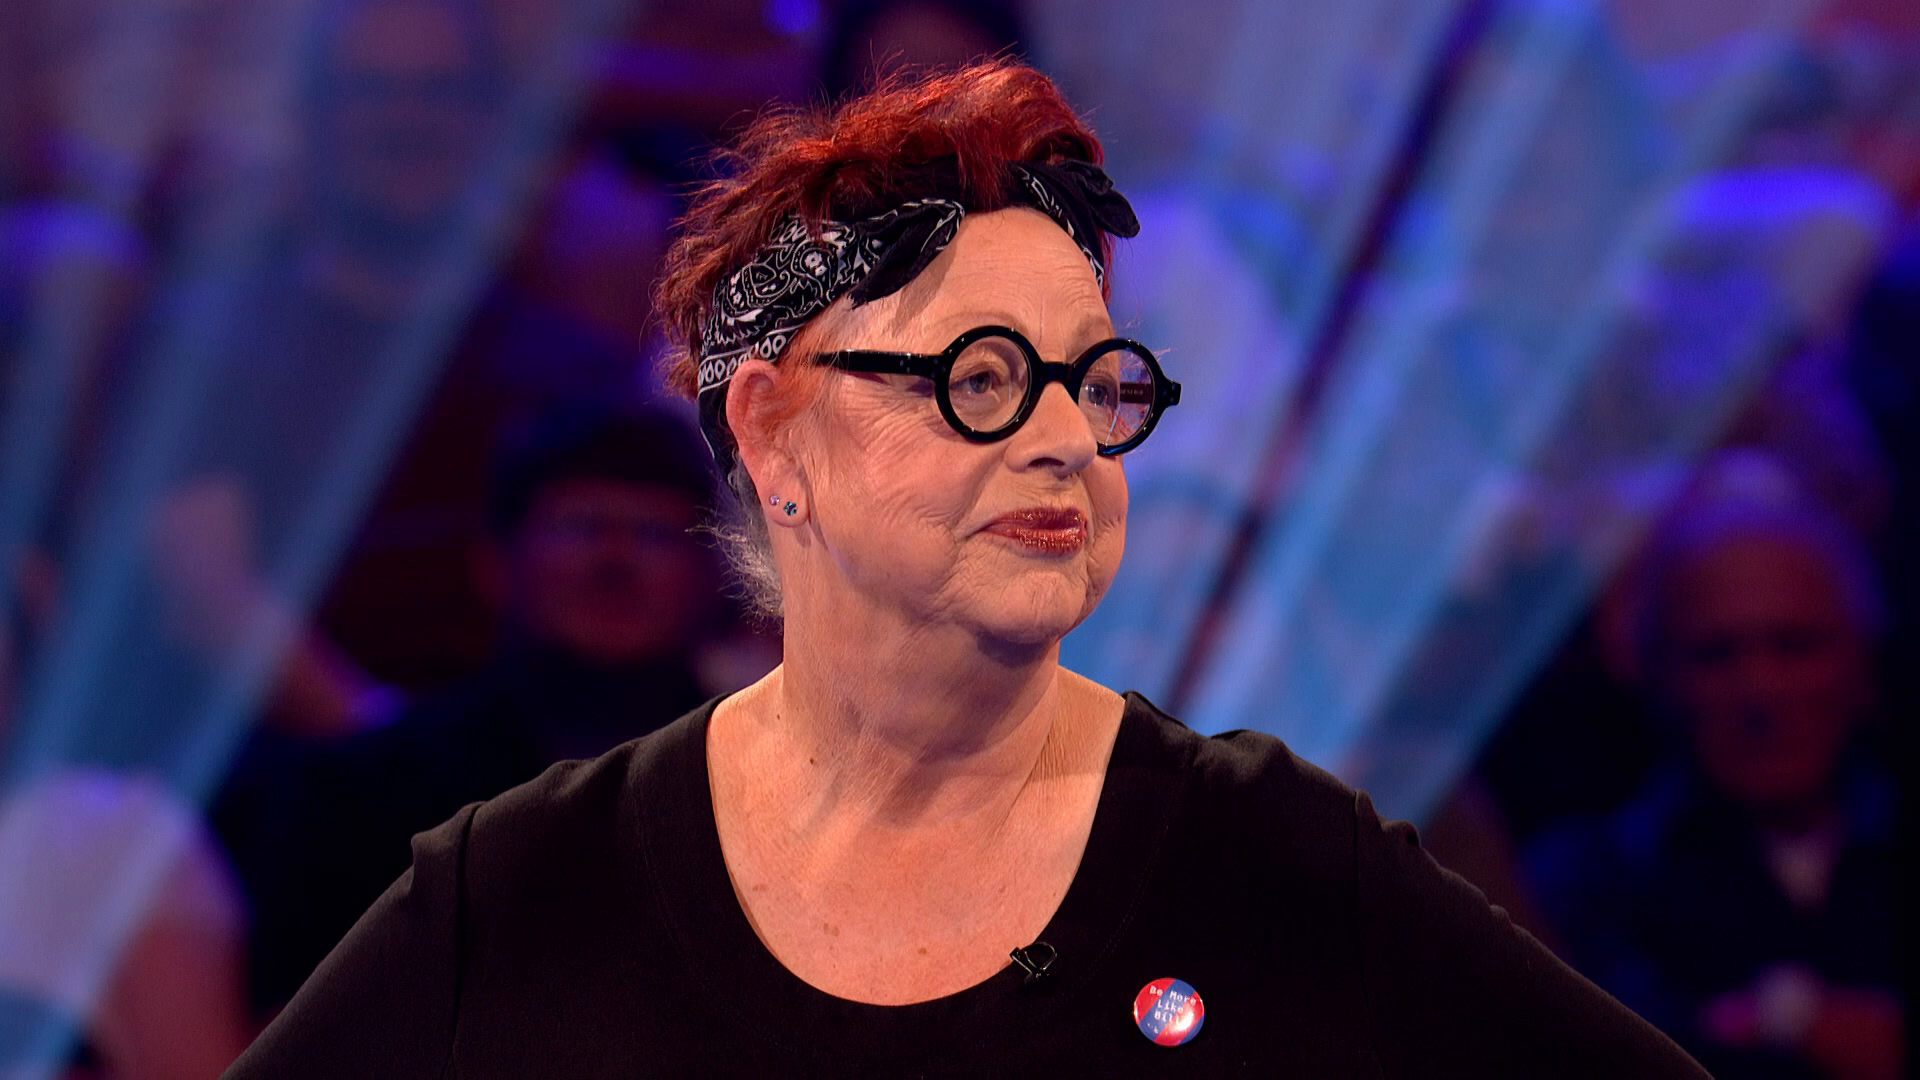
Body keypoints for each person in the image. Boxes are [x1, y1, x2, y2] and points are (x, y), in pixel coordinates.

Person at [225, 61, 1706, 1077]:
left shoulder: (1270, 853)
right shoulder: (526, 888)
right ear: (778, 435)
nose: (1065, 439)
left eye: (1096, 383)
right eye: (982, 379)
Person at [220, 404, 722, 1012]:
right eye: (581, 527)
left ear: (710, 578)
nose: (616, 561)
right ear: (494, 566)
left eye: (656, 534)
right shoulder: (360, 790)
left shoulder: (763, 780)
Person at [1527, 488, 1904, 1080]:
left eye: (1795, 645)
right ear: (1657, 676)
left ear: (1861, 665)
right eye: (1716, 654)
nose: (1760, 690)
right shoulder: (1584, 888)